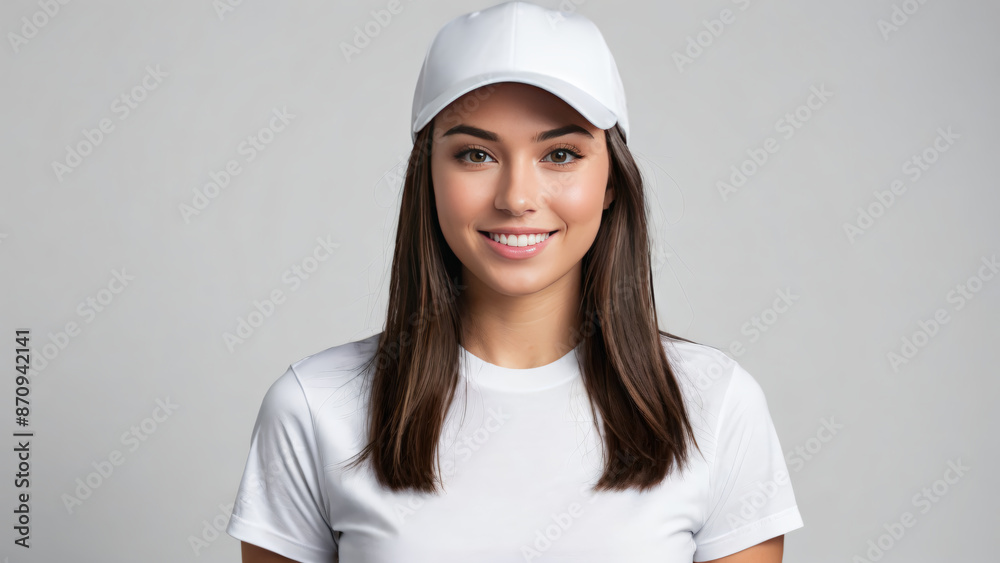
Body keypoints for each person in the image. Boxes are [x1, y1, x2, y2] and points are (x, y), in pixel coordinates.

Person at [226, 2, 804, 562]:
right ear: (426, 177)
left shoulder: (715, 405)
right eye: (476, 154)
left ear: (610, 182)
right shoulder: (314, 408)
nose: (516, 198)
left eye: (560, 154)